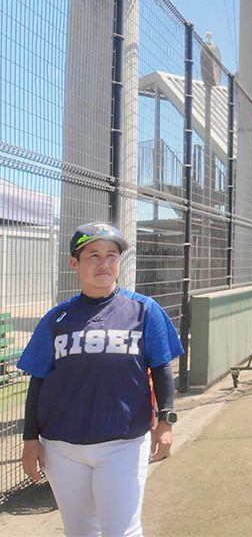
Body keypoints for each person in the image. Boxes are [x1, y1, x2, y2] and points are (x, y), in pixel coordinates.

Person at [17, 222, 184, 537]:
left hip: (123, 442)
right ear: (75, 263)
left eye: (111, 255)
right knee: (79, 531)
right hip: (61, 446)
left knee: (122, 531)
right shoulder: (56, 319)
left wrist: (166, 422)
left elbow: (162, 368)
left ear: (120, 262)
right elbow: (37, 381)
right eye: (93, 255)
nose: (104, 263)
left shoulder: (144, 310)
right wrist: (30, 439)